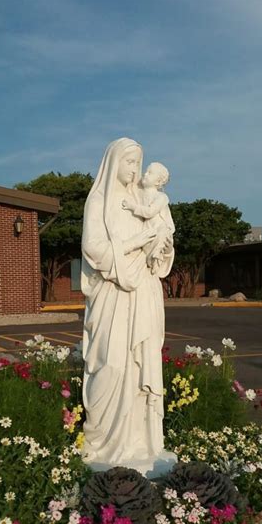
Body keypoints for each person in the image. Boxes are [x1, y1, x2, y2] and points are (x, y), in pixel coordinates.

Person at [80, 138, 175, 472]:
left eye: (139, 163)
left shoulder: (142, 198)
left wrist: (161, 245)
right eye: (130, 162)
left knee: (139, 369)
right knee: (112, 365)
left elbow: (160, 244)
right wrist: (136, 243)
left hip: (142, 294)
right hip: (113, 295)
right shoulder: (99, 201)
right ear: (113, 163)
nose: (135, 170)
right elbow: (95, 250)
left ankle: (141, 442)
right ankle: (102, 441)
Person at [122, 162, 175, 274]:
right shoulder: (138, 193)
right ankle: (153, 258)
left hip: (159, 227)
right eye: (146, 171)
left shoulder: (161, 197)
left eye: (150, 173)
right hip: (147, 229)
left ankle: (156, 261)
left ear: (158, 182)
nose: (145, 174)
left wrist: (132, 207)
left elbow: (150, 212)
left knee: (162, 237)